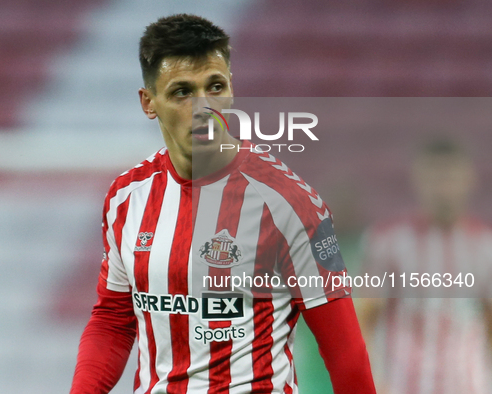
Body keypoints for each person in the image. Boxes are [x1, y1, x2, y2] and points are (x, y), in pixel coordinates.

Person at [70, 14, 375, 394]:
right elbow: (113, 320)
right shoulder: (126, 198)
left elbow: (345, 350)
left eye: (214, 86)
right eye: (182, 92)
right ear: (149, 102)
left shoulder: (290, 203)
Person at [359, 139, 492, 394]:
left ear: (469, 179)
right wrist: (372, 379)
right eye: (434, 176)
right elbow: (365, 316)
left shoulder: (485, 244)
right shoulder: (388, 240)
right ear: (418, 179)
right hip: (404, 386)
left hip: (469, 386)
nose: (443, 187)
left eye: (450, 176)